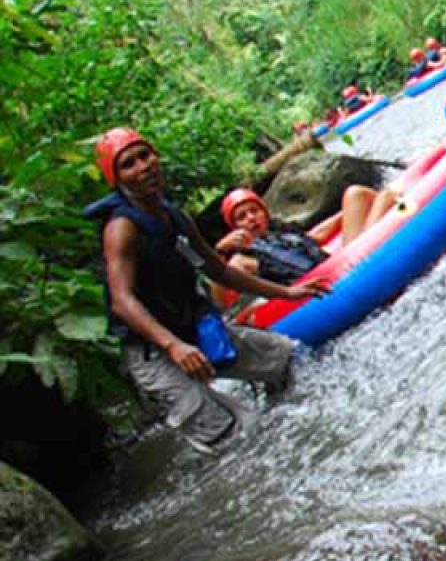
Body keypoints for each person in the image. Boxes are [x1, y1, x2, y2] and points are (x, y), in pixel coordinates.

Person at [90, 128, 326, 454]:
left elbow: (217, 269)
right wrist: (173, 346)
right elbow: (122, 300)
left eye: (145, 155)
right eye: (128, 164)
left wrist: (286, 293)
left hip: (190, 328)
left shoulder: (173, 215)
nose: (143, 166)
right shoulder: (122, 229)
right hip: (153, 350)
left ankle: (297, 436)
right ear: (117, 180)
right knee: (232, 435)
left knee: (288, 360)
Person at [213, 186, 396, 285]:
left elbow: (316, 236)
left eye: (254, 211)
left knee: (355, 194)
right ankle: (405, 204)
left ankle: (406, 200)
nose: (251, 218)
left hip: (337, 264)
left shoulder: (279, 233)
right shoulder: (243, 259)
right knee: (386, 197)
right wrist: (220, 251)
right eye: (242, 217)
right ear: (235, 228)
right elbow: (222, 292)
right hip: (335, 279)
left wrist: (347, 211)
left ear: (264, 212)